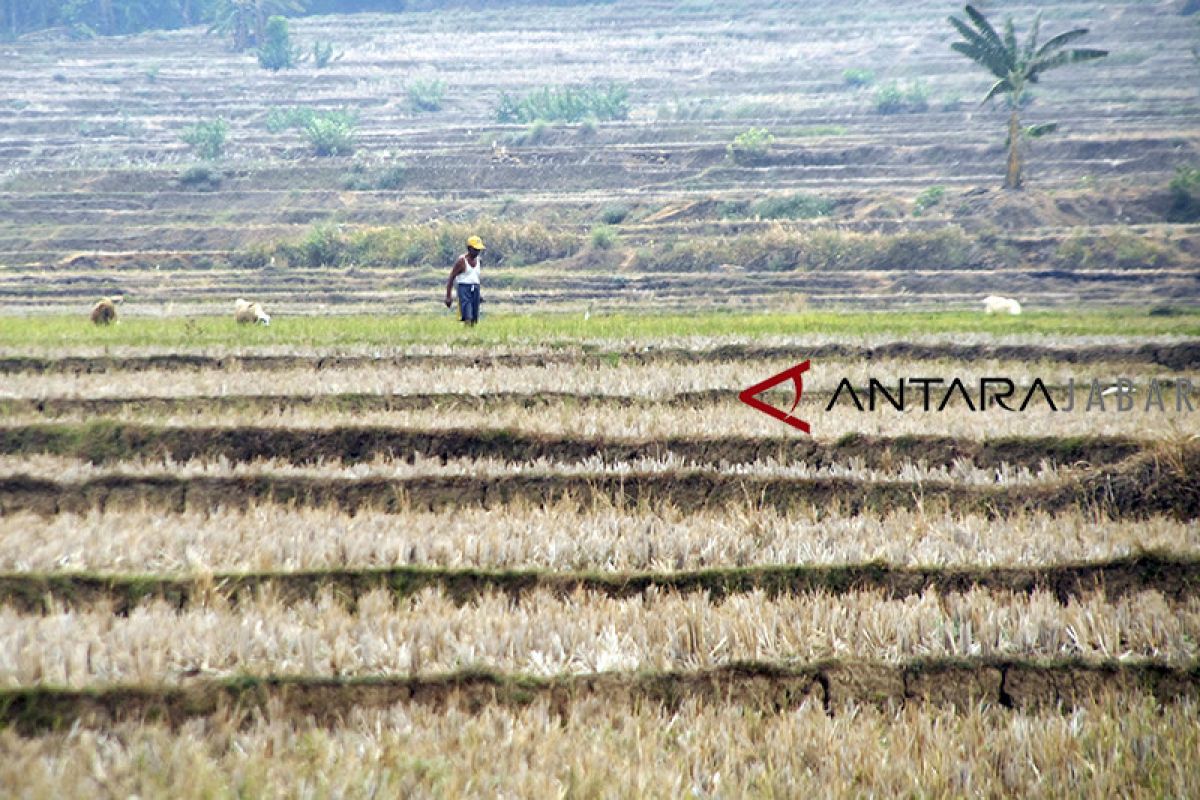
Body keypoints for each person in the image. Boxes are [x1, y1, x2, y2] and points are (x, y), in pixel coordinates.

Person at [445, 235, 485, 326]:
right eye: (475, 249)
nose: (477, 252)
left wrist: (479, 294)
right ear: (469, 248)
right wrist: (448, 296)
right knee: (467, 315)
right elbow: (451, 277)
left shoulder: (479, 261)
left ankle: (471, 334)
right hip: (464, 289)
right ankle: (467, 334)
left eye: (479, 250)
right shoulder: (462, 261)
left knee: (474, 316)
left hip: (475, 288)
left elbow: (475, 278)